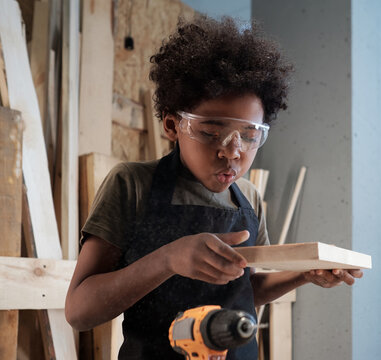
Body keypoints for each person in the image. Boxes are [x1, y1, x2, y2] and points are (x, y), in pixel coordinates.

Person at [65, 15, 363, 360]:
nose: (232, 152)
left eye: (249, 136)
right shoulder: (132, 184)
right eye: (210, 132)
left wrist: (303, 275)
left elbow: (245, 288)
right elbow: (79, 311)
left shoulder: (248, 198)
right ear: (173, 125)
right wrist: (167, 259)